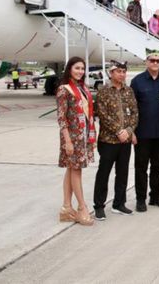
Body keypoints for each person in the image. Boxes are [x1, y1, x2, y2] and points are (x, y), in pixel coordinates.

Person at [93, 62, 138, 220]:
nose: (122, 74)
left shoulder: (129, 91)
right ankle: (99, 206)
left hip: (125, 141)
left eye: (124, 71)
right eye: (118, 71)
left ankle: (119, 203)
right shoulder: (103, 91)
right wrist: (118, 131)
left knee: (123, 173)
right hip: (108, 140)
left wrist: (129, 131)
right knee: (104, 173)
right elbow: (102, 114)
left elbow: (134, 113)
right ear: (111, 73)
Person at [131, 51, 159, 212]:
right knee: (141, 167)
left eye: (158, 60)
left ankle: (155, 196)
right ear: (146, 61)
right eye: (153, 60)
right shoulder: (137, 81)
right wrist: (132, 131)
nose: (155, 63)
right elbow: (131, 107)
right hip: (142, 133)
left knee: (157, 166)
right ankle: (140, 199)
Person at [56, 56, 95, 226]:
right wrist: (68, 141)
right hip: (72, 137)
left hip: (83, 135)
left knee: (72, 170)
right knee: (76, 170)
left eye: (82, 68)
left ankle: (66, 207)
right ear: (69, 69)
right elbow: (61, 118)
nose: (80, 71)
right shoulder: (64, 89)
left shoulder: (82, 88)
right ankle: (82, 208)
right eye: (77, 68)